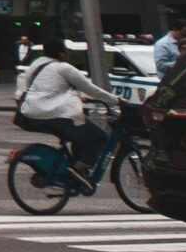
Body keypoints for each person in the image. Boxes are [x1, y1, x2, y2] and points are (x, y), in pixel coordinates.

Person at [16, 41, 116, 183]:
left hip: (31, 114)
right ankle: (77, 170)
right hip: (53, 114)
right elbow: (91, 89)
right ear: (62, 53)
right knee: (100, 137)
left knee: (80, 130)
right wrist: (116, 100)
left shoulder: (36, 65)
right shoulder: (64, 68)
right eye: (67, 51)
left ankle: (76, 168)